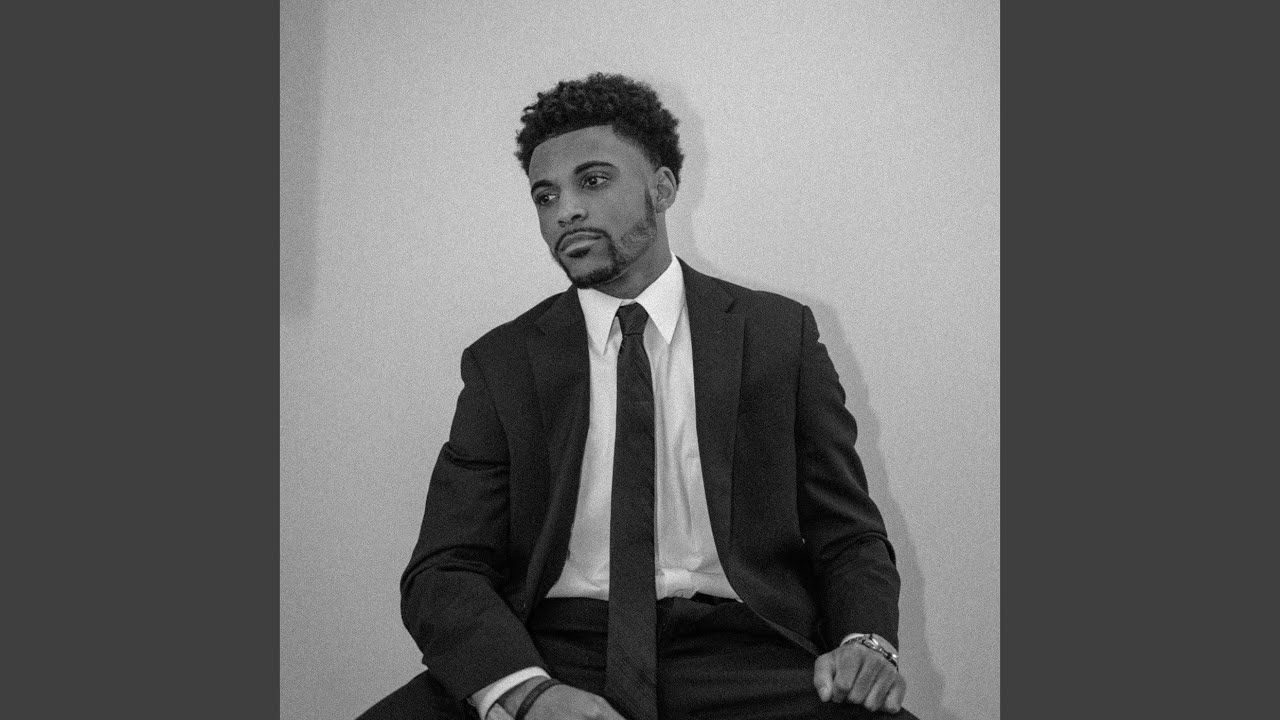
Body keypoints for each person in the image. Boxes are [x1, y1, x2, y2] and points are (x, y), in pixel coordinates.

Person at [358, 72, 917, 720]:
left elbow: (845, 533)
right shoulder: (502, 364)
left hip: (745, 654)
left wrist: (865, 642)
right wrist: (528, 694)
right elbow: (445, 569)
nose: (565, 210)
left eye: (593, 181)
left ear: (663, 187)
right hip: (552, 648)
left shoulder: (775, 336)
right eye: (545, 195)